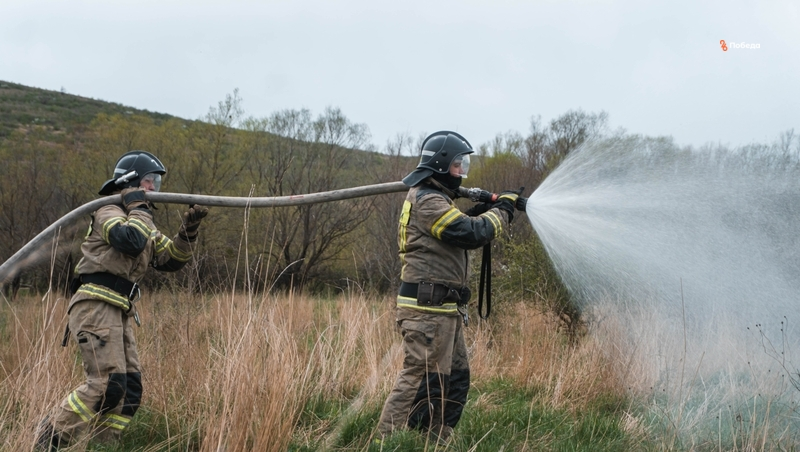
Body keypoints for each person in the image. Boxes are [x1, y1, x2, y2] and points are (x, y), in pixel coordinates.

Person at [36, 151, 209, 450]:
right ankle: (46, 440)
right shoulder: (108, 211)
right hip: (94, 306)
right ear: (130, 183)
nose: (155, 188)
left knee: (128, 390)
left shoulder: (143, 221)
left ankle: (103, 445)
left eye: (156, 182)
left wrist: (188, 230)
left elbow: (171, 259)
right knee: (105, 384)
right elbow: (129, 241)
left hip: (119, 309)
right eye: (149, 181)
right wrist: (138, 206)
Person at [377, 131, 521, 445]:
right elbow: (469, 234)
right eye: (458, 165)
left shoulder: (436, 200)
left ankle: (434, 441)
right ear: (441, 166)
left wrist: (479, 214)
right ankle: (386, 443)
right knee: (418, 378)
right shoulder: (428, 200)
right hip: (426, 310)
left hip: (443, 310)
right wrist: (503, 211)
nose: (462, 172)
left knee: (454, 379)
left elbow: (454, 231)